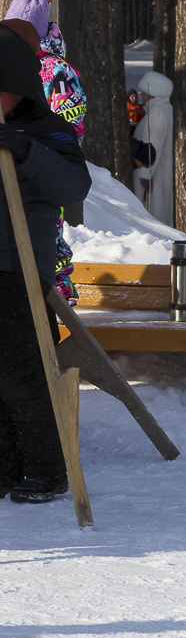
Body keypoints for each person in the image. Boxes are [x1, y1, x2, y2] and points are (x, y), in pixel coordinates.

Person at [0, 25, 92, 504]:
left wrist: (28, 153)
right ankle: (5, 465)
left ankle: (45, 467)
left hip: (18, 272)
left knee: (21, 374)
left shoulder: (44, 130)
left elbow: (73, 190)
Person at [4, 0, 87, 305]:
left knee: (50, 231)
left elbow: (70, 117)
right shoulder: (10, 61)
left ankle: (58, 292)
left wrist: (36, 140)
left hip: (46, 152)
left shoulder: (56, 70)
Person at [130, 70, 173, 225]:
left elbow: (154, 145)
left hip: (155, 176)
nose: (141, 95)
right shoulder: (160, 110)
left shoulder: (158, 113)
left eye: (145, 91)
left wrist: (145, 174)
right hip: (155, 173)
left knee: (154, 213)